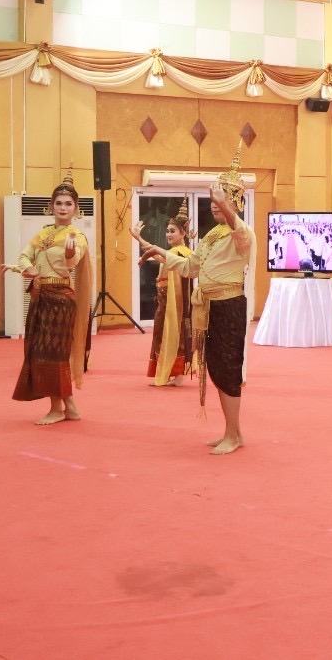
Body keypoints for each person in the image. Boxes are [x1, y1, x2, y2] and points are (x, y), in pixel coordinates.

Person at [141, 145, 255, 455]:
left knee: (228, 369)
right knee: (216, 368)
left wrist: (223, 203)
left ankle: (234, 434)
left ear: (237, 202)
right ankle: (232, 432)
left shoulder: (241, 232)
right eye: (218, 198)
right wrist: (158, 250)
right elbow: (191, 266)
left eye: (228, 198)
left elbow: (239, 229)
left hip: (229, 305)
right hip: (209, 307)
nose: (218, 204)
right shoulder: (210, 235)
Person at [3, 166, 94, 425]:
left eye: (68, 204)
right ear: (51, 206)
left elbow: (73, 262)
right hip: (40, 297)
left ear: (76, 209)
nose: (63, 208)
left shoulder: (77, 236)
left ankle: (58, 408)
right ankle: (69, 406)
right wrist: (26, 267)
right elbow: (24, 255)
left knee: (53, 353)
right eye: (58, 203)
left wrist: (68, 255)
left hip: (61, 299)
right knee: (38, 351)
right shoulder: (43, 233)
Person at [131, 200, 193, 386]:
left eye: (172, 231)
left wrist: (139, 239)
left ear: (184, 233)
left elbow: (158, 255)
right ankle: (171, 373)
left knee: (173, 332)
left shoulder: (182, 252)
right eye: (167, 231)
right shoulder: (174, 251)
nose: (168, 234)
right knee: (163, 332)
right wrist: (138, 238)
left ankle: (177, 373)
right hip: (165, 299)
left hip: (174, 301)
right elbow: (157, 254)